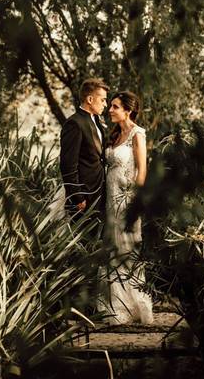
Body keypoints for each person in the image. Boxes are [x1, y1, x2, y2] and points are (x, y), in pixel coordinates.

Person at [100, 90, 153, 325]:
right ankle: (116, 306)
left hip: (126, 199)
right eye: (110, 105)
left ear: (127, 110)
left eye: (115, 106)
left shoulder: (137, 135)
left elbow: (142, 171)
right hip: (110, 198)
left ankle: (133, 306)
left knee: (127, 248)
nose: (110, 110)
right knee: (112, 247)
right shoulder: (113, 136)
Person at [59, 78, 109, 223]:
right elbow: (68, 165)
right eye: (103, 100)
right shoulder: (74, 123)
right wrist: (77, 197)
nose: (105, 104)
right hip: (84, 197)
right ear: (90, 99)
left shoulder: (98, 121)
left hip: (99, 192)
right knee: (83, 240)